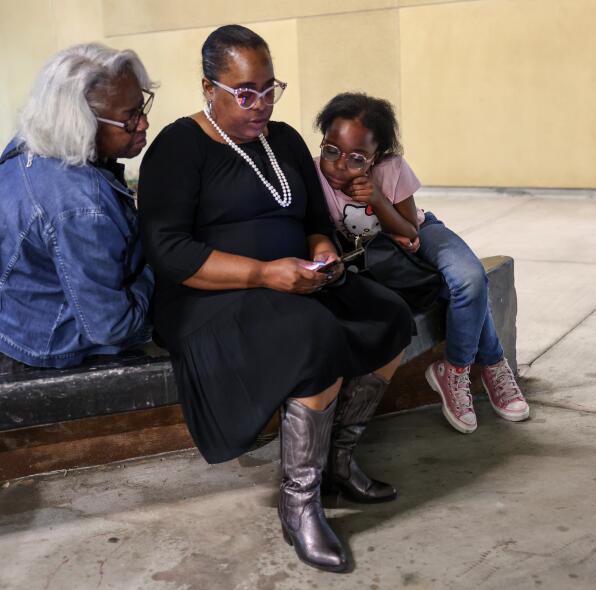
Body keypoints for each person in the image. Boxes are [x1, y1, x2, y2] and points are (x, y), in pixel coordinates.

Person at [137, 25, 414, 573]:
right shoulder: (179, 147)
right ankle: (300, 504)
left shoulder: (283, 139)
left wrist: (321, 254)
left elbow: (315, 221)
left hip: (295, 280)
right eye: (245, 93)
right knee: (313, 336)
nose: (260, 104)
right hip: (210, 294)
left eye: (269, 89)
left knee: (390, 315)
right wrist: (264, 274)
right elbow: (169, 252)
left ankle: (338, 457)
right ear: (208, 88)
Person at [313, 92, 530, 434]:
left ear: (376, 157)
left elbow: (411, 229)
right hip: (379, 251)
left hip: (418, 228)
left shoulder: (391, 169)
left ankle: (455, 370)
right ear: (323, 141)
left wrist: (377, 198)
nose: (340, 165)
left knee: (470, 278)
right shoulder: (314, 176)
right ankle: (493, 361)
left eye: (357, 158)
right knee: (446, 287)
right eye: (331, 151)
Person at [0, 44, 155, 368]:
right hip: (45, 338)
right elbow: (112, 327)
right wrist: (155, 268)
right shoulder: (82, 207)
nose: (143, 124)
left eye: (142, 107)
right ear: (80, 121)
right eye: (129, 118)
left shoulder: (34, 138)